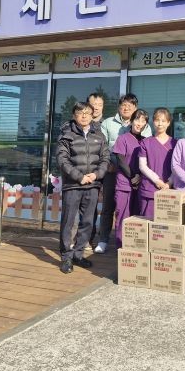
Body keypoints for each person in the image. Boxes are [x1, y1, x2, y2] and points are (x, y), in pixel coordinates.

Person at [93, 93, 152, 254]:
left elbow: (147, 147)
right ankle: (103, 240)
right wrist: (108, 164)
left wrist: (139, 174)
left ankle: (131, 242)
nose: (126, 108)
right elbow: (101, 147)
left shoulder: (142, 124)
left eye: (130, 106)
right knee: (109, 207)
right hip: (112, 171)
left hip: (135, 174)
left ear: (135, 108)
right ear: (119, 107)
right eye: (123, 105)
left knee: (132, 207)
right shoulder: (108, 123)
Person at [56, 102, 110, 274]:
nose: (84, 115)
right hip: (73, 185)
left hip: (92, 185)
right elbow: (62, 160)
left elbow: (105, 158)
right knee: (68, 222)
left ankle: (78, 255)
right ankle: (66, 257)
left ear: (92, 115)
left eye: (87, 112)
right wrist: (79, 177)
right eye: (80, 113)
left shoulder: (99, 135)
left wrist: (96, 174)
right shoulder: (66, 134)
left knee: (87, 221)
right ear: (74, 116)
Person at [112, 109, 148, 248]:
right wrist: (133, 176)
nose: (139, 123)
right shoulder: (123, 138)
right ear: (132, 121)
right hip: (125, 184)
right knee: (123, 216)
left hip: (140, 185)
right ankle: (121, 247)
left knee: (136, 217)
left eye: (143, 121)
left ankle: (133, 247)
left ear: (146, 124)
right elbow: (120, 160)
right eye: (137, 119)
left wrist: (139, 177)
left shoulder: (146, 141)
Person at [138, 107, 177, 218]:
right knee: (147, 221)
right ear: (153, 122)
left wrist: (169, 183)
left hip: (169, 190)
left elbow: (178, 166)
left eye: (163, 121)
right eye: (157, 120)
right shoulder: (145, 142)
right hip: (149, 189)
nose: (160, 124)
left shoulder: (175, 143)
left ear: (168, 123)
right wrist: (157, 181)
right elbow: (142, 166)